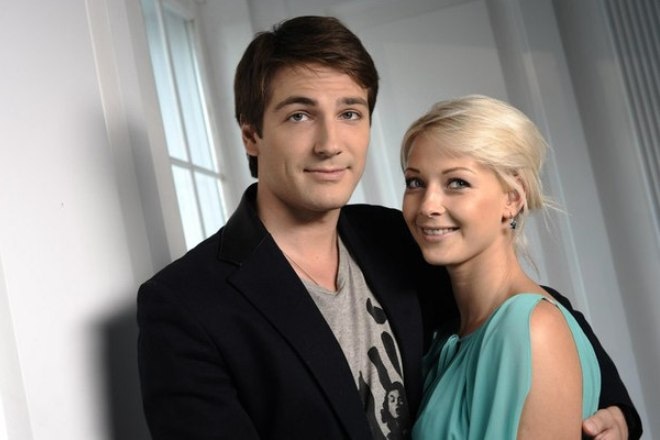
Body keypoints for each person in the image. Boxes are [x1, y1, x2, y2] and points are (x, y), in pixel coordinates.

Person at [137, 16, 641, 439]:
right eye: (299, 116)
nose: (330, 143)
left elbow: (522, 314)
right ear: (252, 134)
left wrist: (616, 411)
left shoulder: (396, 237)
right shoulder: (185, 305)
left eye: (349, 112)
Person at [400, 95, 638, 439]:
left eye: (457, 183)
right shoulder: (446, 336)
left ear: (512, 198)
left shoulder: (530, 329)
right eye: (415, 182)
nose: (427, 206)